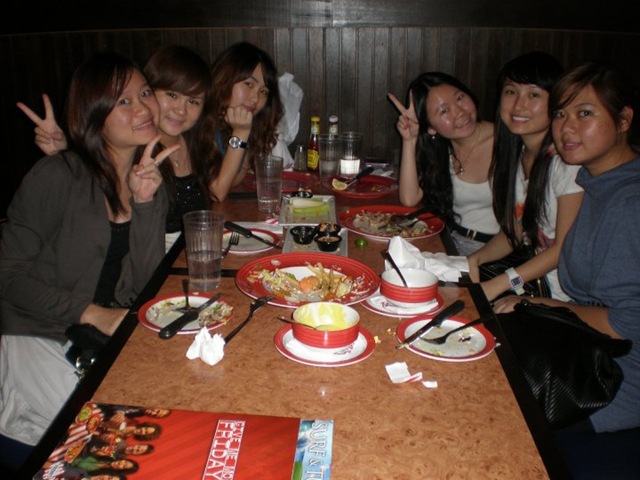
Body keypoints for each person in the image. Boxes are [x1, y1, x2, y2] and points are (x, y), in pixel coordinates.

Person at [0, 52, 176, 471]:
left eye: (145, 93)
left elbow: (142, 289)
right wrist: (93, 313)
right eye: (123, 101)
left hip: (98, 342)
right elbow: (7, 278)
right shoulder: (57, 175)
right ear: (95, 116)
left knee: (171, 409)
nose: (143, 108)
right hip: (37, 334)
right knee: (115, 448)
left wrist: (145, 204)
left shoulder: (149, 180)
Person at [17, 45, 214, 248]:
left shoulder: (188, 146)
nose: (181, 110)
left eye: (193, 101)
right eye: (172, 95)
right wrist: (67, 154)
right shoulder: (136, 154)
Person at [467, 52, 584, 303]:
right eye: (511, 92)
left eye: (534, 95)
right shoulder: (518, 155)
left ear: (557, 102)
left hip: (565, 296)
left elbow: (563, 249)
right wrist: (473, 260)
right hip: (533, 282)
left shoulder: (566, 164)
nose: (519, 105)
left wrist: (500, 283)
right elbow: (514, 231)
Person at [388, 72, 499, 255]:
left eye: (460, 98)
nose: (459, 112)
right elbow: (409, 198)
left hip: (494, 252)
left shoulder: (504, 142)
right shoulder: (442, 149)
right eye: (444, 110)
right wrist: (410, 139)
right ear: (431, 128)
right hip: (451, 242)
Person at [208, 41, 284, 202]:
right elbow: (217, 193)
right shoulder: (202, 123)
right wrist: (241, 134)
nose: (255, 98)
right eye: (248, 84)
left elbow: (234, 180)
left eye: (263, 91)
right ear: (224, 79)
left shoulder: (239, 123)